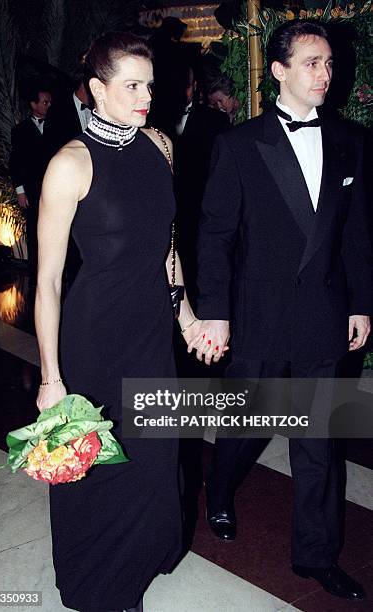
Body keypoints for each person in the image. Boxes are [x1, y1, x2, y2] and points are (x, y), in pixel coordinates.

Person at [189, 20, 371, 601]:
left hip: (322, 314)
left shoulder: (352, 140)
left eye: (329, 64)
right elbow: (215, 235)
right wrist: (213, 312)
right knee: (247, 427)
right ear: (279, 71)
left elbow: (357, 234)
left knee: (320, 443)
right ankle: (219, 491)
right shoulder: (240, 144)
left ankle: (315, 556)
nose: (325, 73)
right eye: (313, 62)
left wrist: (361, 303)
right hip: (260, 316)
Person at [35, 31, 200, 612]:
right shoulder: (69, 165)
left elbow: (167, 246)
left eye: (149, 86)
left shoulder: (161, 146)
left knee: (156, 458)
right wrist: (51, 378)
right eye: (131, 86)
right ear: (97, 89)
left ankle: (138, 559)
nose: (144, 97)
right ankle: (98, 584)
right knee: (94, 466)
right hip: (95, 338)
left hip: (151, 331)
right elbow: (49, 280)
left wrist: (187, 317)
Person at [9, 80, 52, 278]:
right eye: (45, 102)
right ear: (34, 105)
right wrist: (20, 191)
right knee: (34, 232)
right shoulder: (20, 130)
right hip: (33, 190)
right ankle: (35, 275)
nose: (48, 105)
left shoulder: (57, 126)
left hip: (54, 187)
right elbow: (15, 162)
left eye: (49, 102)